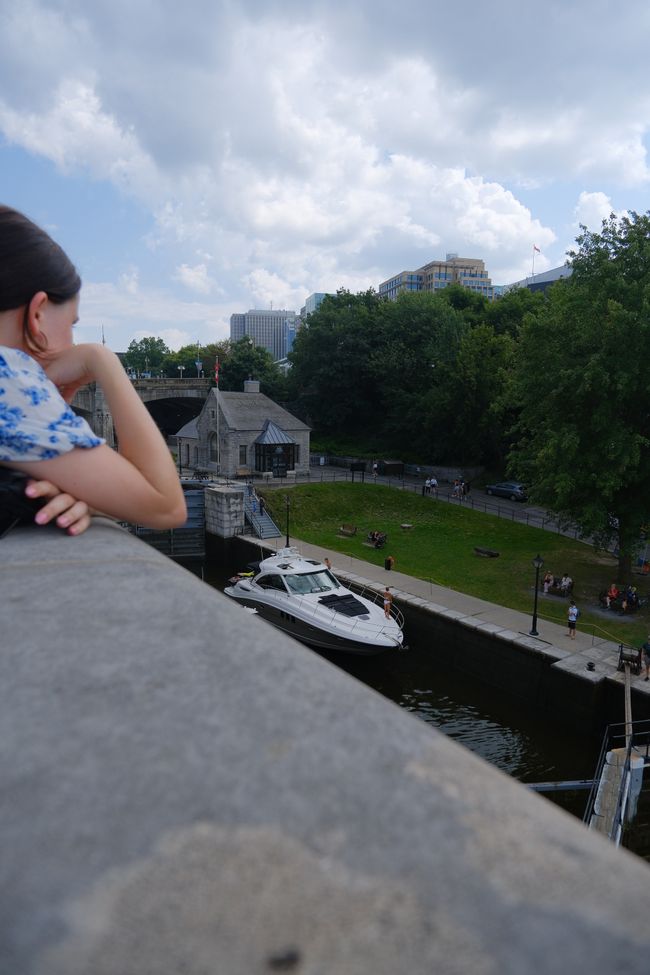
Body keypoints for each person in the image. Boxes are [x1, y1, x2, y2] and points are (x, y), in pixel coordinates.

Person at [0, 205, 187, 529]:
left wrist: (79, 485)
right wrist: (103, 360)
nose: (72, 342)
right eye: (71, 324)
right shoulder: (11, 377)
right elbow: (165, 506)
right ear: (37, 313)